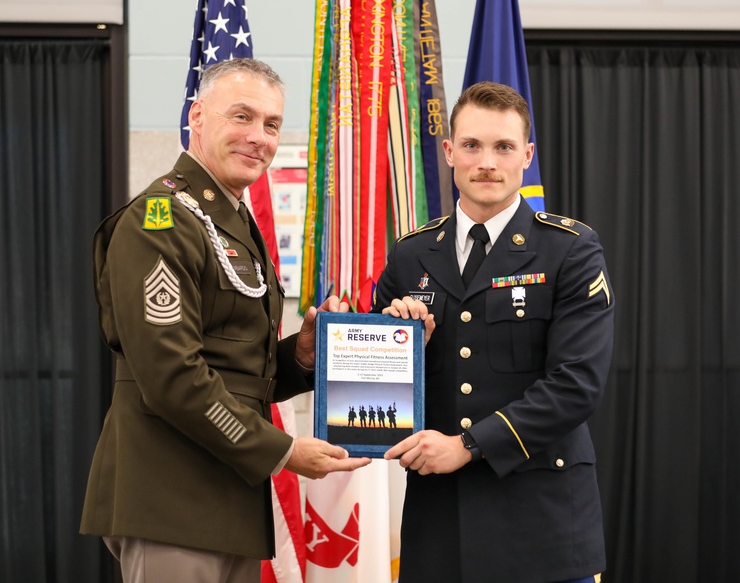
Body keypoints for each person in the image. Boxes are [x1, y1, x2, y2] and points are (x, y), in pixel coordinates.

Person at [80, 58, 370, 583]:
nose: (258, 136)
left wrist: (297, 356)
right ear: (197, 115)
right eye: (242, 116)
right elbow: (172, 377)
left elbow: (235, 368)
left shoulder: (229, 218)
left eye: (272, 124)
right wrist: (282, 451)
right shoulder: (159, 221)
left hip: (225, 497)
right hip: (171, 498)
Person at [375, 81, 614, 583]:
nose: (487, 161)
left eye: (503, 146)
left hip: (540, 525)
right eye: (472, 145)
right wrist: (400, 346)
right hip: (440, 526)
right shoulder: (409, 255)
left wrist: (466, 445)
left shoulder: (570, 250)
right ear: (449, 152)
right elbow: (384, 388)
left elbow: (576, 384)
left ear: (526, 155)